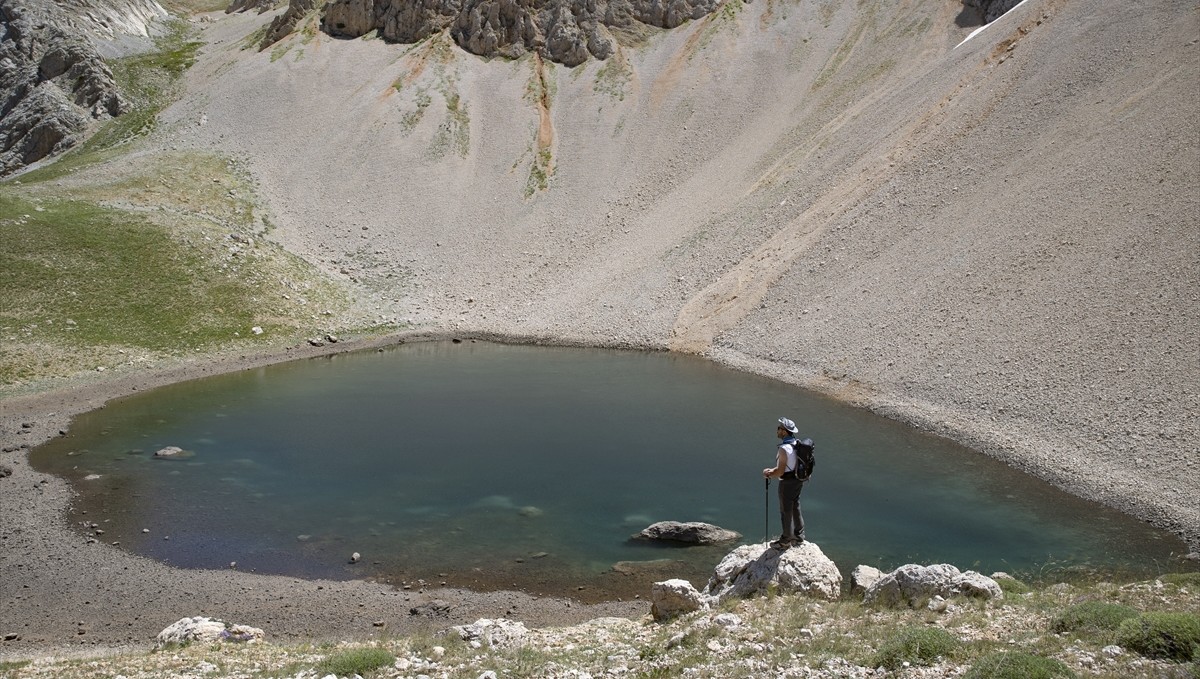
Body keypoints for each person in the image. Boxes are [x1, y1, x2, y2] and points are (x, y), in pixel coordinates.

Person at [763, 416, 806, 549]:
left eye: (779, 428)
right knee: (795, 506)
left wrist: (769, 473)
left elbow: (781, 471)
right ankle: (799, 536)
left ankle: (785, 540)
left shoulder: (784, 448)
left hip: (787, 483)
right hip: (798, 480)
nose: (777, 430)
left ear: (785, 431)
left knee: (785, 510)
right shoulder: (797, 444)